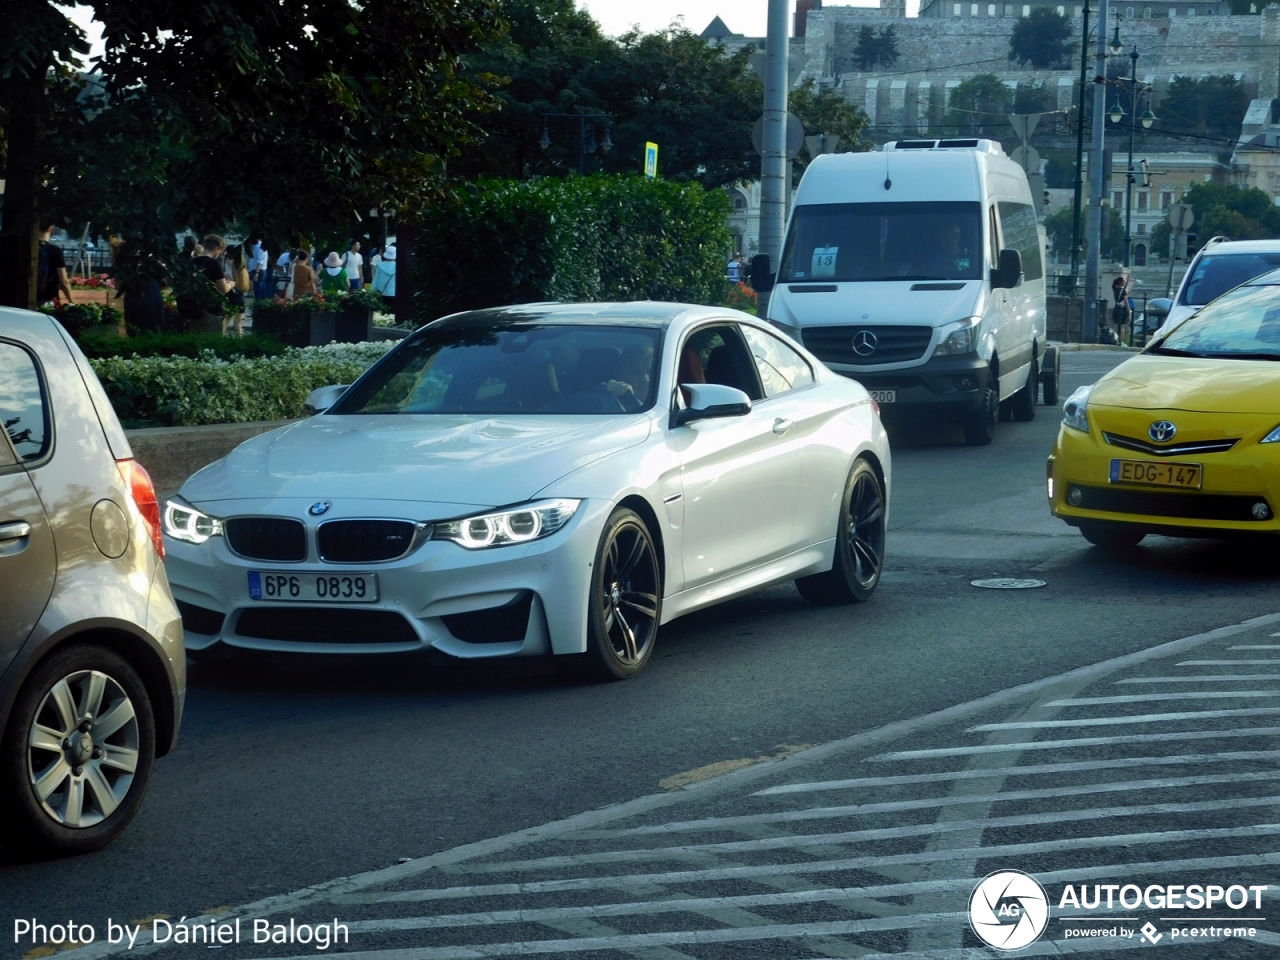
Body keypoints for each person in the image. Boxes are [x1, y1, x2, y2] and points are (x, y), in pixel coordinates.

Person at [177, 234, 234, 332]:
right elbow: (223, 289)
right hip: (210, 312)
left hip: (194, 312)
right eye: (219, 251)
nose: (219, 254)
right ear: (216, 248)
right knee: (211, 345)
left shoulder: (192, 261)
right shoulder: (214, 263)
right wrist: (231, 284)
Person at [37, 224, 74, 305]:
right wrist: (71, 301)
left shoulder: (26, 249)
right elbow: (63, 281)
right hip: (47, 299)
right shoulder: (55, 250)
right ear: (52, 229)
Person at [371, 244, 396, 312]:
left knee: (382, 314)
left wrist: (372, 292)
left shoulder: (380, 266)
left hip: (381, 293)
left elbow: (375, 281)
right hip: (393, 293)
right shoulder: (397, 267)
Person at [1111, 275, 1131, 346]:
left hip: (1116, 308)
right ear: (1120, 282)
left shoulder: (1115, 289)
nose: (1124, 283)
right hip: (1122, 310)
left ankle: (1115, 340)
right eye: (1123, 282)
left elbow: (1122, 290)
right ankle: (1121, 341)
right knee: (1122, 326)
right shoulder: (1123, 291)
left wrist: (1127, 282)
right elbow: (1126, 301)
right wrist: (1129, 311)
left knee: (1116, 325)